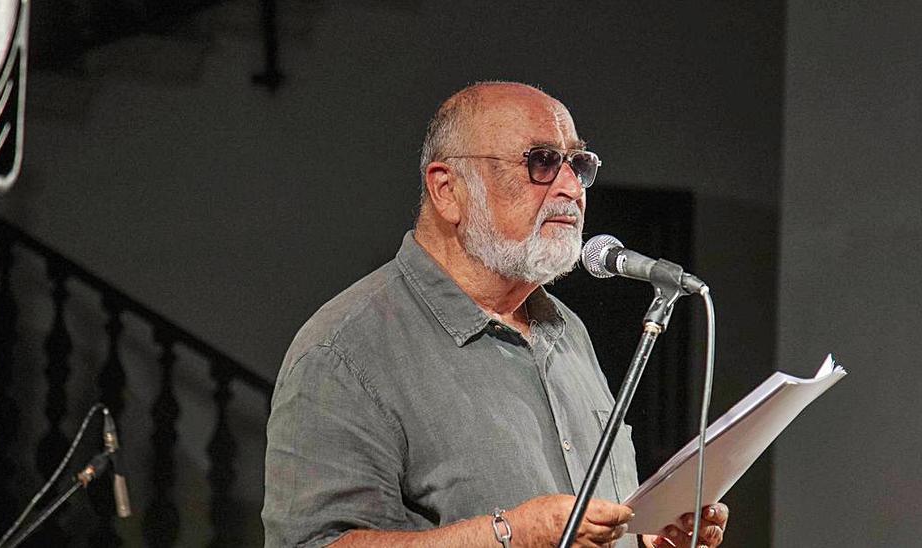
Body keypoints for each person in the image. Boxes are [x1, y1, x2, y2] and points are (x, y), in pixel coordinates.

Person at [262, 82, 728, 547]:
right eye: (541, 162)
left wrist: (646, 543)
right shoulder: (343, 353)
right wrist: (510, 536)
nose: (571, 188)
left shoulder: (566, 330)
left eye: (579, 165)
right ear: (447, 190)